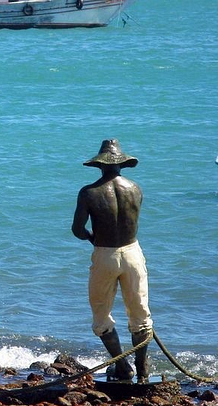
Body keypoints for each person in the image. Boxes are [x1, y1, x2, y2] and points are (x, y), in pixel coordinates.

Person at [72, 139, 152, 384]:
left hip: (105, 253)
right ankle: (143, 370)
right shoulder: (135, 188)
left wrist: (91, 238)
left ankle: (123, 366)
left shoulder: (89, 192)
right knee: (140, 314)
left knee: (101, 314)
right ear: (121, 164)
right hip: (133, 253)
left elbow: (77, 229)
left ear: (100, 165)